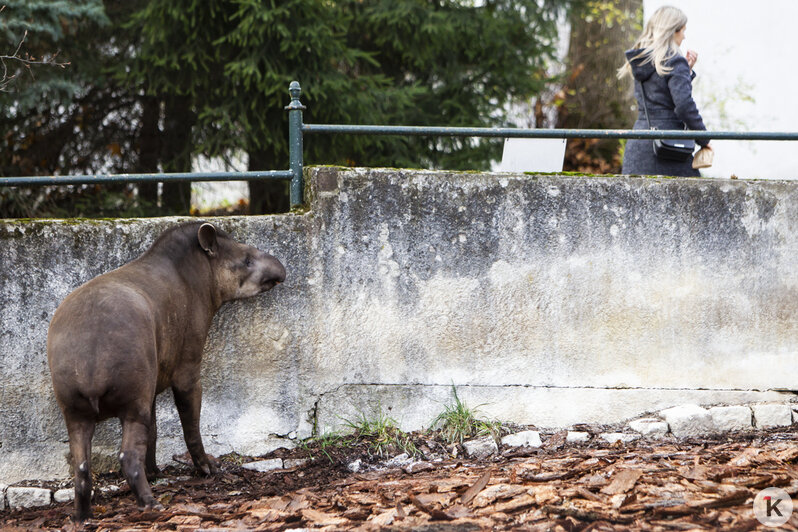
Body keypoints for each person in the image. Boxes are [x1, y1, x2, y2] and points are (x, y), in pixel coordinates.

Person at [618, 5, 711, 177]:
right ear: (672, 31)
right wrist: (704, 139)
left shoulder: (642, 61)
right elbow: (683, 105)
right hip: (668, 148)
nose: (684, 36)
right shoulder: (675, 60)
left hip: (639, 146)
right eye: (683, 30)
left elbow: (659, 95)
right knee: (695, 200)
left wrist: (686, 73)